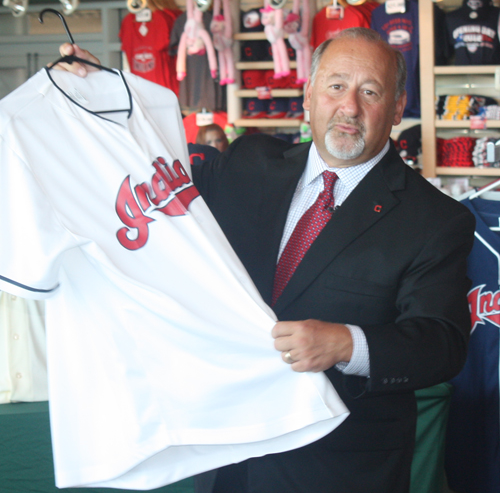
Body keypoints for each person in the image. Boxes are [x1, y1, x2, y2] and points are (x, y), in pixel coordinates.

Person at [57, 27, 475, 493]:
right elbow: (154, 167)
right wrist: (97, 97)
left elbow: (442, 344)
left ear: (397, 108)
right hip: (228, 455)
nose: (349, 107)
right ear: (310, 94)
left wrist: (347, 344)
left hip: (338, 471)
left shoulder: (435, 219)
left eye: (370, 91)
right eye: (336, 86)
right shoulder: (247, 163)